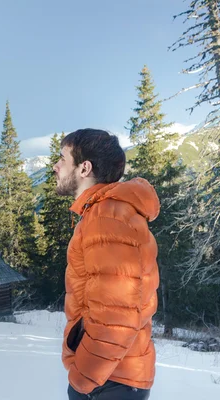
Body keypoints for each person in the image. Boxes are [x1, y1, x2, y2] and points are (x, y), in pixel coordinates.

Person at [53, 129, 160, 400]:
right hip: (115, 376)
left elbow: (116, 313)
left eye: (62, 159)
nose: (56, 166)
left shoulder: (107, 216)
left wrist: (83, 378)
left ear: (84, 168)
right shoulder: (105, 212)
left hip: (110, 380)